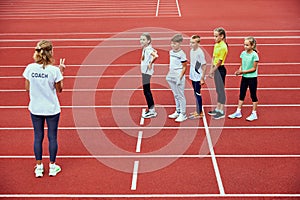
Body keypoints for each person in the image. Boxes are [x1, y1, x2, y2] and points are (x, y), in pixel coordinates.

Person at [23, 40, 65, 177]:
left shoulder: (30, 68)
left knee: (38, 136)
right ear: (51, 52)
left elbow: (27, 87)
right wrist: (61, 72)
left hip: (36, 108)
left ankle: (39, 167)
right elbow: (59, 90)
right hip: (52, 108)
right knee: (52, 137)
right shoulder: (54, 70)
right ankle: (52, 166)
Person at [228, 36, 259, 121]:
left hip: (252, 78)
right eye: (244, 45)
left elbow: (254, 69)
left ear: (252, 46)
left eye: (247, 45)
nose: (245, 47)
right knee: (242, 94)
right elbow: (242, 64)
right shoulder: (243, 53)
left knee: (253, 95)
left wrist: (243, 72)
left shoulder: (255, 55)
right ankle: (238, 111)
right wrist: (239, 70)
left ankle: (254, 113)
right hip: (244, 77)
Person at [166, 34, 188, 122]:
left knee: (180, 95)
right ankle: (178, 111)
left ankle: (183, 114)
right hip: (171, 75)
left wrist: (180, 77)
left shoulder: (182, 54)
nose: (172, 45)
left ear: (179, 44)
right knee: (175, 95)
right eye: (172, 43)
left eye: (175, 44)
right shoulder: (171, 52)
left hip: (179, 76)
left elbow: (184, 67)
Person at [208, 27, 228, 119]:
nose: (214, 38)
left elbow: (219, 62)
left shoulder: (223, 47)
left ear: (222, 36)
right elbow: (213, 57)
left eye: (216, 36)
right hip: (216, 69)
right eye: (214, 36)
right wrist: (211, 68)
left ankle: (221, 110)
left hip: (220, 70)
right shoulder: (217, 45)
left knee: (221, 91)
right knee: (217, 90)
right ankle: (217, 108)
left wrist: (212, 71)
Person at [140, 33, 159, 118]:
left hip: (146, 72)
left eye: (143, 40)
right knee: (146, 91)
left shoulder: (148, 50)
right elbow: (155, 51)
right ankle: (151, 109)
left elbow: (156, 55)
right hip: (145, 72)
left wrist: (151, 63)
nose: (141, 41)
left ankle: (152, 111)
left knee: (146, 91)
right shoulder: (147, 48)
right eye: (141, 39)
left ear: (148, 41)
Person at [188, 35, 207, 119]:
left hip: (198, 76)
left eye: (193, 42)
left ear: (198, 43)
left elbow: (204, 65)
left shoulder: (200, 53)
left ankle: (200, 112)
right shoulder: (192, 51)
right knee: (195, 93)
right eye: (190, 42)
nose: (191, 44)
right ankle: (198, 110)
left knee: (197, 94)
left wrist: (202, 78)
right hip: (193, 75)